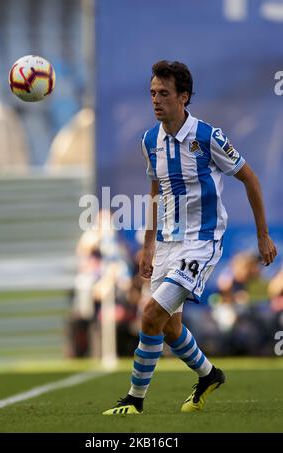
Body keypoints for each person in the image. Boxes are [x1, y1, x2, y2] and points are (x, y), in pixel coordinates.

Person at [103, 60, 277, 415]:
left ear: (183, 98)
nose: (155, 100)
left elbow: (251, 179)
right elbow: (157, 192)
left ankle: (135, 399)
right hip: (167, 242)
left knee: (150, 315)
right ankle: (209, 374)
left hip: (202, 241)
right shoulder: (150, 140)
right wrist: (149, 244)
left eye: (164, 93)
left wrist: (263, 235)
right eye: (152, 93)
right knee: (169, 327)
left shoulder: (207, 137)